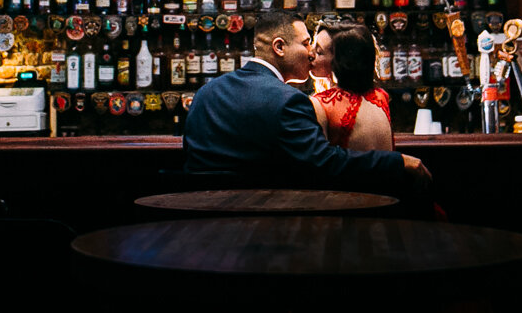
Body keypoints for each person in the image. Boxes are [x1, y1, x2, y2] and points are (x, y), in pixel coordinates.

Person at [183, 11, 427, 195]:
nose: (311, 53)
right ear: (279, 47)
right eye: (305, 43)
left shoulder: (206, 92)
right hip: (259, 223)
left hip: (198, 217)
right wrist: (397, 161)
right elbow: (324, 163)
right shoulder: (289, 101)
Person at [310, 25, 392, 151]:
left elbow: (319, 162)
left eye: (319, 52)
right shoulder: (380, 95)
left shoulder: (321, 104)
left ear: (340, 62)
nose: (310, 54)